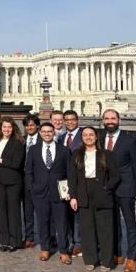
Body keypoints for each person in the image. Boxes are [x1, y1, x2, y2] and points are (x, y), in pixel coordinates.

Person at [68, 127, 120, 272]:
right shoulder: (76, 155)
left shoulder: (106, 154)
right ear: (82, 138)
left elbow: (116, 176)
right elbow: (72, 177)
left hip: (102, 192)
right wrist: (73, 196)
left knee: (105, 229)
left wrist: (106, 187)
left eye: (91, 135)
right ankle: (90, 259)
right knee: (87, 229)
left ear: (96, 137)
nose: (88, 137)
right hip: (83, 192)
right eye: (85, 135)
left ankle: (107, 261)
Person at [101, 109, 136, 272]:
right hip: (107, 189)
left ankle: (132, 258)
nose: (110, 121)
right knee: (113, 223)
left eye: (113, 118)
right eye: (107, 118)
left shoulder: (129, 140)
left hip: (125, 188)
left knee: (130, 223)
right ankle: (117, 253)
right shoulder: (100, 138)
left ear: (118, 120)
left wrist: (131, 183)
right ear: (103, 120)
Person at [26, 122, 72, 265]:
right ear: (40, 133)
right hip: (40, 192)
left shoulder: (64, 150)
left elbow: (69, 172)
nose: (47, 134)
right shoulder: (33, 150)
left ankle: (64, 251)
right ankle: (45, 249)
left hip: (59, 191)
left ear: (54, 133)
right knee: (43, 221)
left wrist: (69, 190)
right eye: (44, 131)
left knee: (61, 222)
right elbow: (29, 171)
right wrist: (32, 187)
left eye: (49, 131)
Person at [0, 117, 25, 252]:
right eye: (4, 127)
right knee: (1, 211)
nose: (6, 129)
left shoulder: (18, 143)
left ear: (13, 128)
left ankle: (15, 241)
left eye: (9, 127)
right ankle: (4, 240)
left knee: (13, 211)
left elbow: (16, 163)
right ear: (0, 128)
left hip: (13, 181)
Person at [59, 109, 82, 258]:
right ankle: (67, 241)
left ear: (77, 120)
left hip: (79, 180)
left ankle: (78, 243)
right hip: (63, 181)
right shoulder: (60, 138)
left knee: (77, 213)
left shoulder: (85, 135)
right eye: (66, 120)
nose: (69, 122)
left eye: (72, 119)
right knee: (64, 213)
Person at [22, 113, 41, 248]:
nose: (29, 127)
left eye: (32, 125)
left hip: (40, 180)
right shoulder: (21, 140)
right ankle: (29, 238)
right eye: (27, 125)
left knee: (42, 211)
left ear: (37, 126)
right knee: (27, 211)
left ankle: (48, 237)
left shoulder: (44, 138)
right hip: (25, 179)